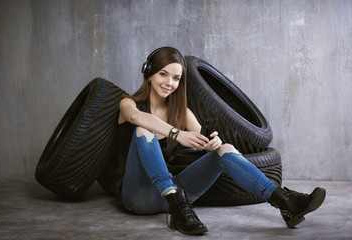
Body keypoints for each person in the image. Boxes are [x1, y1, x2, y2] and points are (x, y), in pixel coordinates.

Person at [116, 46, 326, 235]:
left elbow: (203, 140)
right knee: (144, 130)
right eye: (163, 74)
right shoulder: (129, 104)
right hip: (139, 196)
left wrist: (212, 144)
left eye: (176, 78)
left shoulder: (182, 112)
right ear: (149, 73)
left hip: (177, 194)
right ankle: (177, 207)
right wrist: (178, 134)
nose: (169, 83)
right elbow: (137, 119)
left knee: (224, 148)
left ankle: (284, 201)